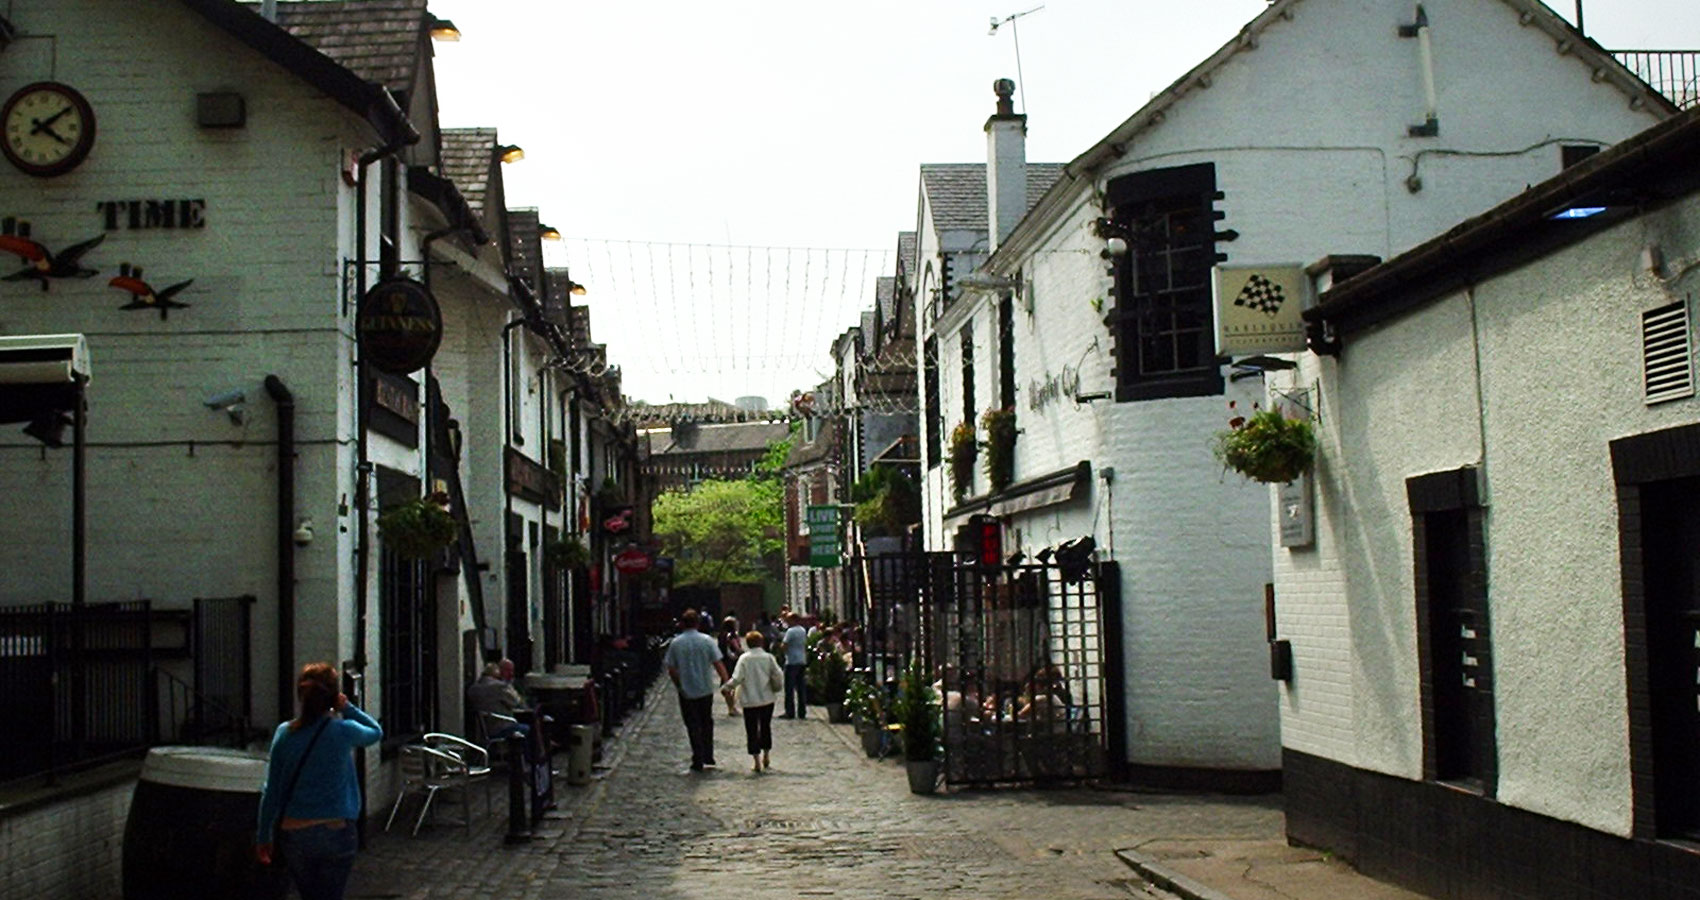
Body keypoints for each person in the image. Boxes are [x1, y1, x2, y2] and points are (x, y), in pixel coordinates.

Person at [255, 662, 382, 900]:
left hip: (295, 831)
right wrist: (348, 708)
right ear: (333, 696)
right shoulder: (343, 730)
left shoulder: (285, 733)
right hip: (335, 828)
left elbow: (271, 789)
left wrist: (263, 835)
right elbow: (375, 732)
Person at [662, 609, 728, 771]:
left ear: (683, 624)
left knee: (692, 723)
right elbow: (718, 663)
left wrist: (679, 685)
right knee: (706, 721)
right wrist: (726, 682)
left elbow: (671, 668)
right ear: (698, 623)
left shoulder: (676, 643)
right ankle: (708, 754)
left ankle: (697, 756)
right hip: (705, 688)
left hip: (686, 690)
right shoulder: (706, 641)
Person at [720, 631, 785, 772]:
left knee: (751, 730)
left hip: (749, 700)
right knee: (765, 727)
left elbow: (737, 678)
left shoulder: (744, 659)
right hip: (767, 699)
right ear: (761, 642)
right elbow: (778, 675)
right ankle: (766, 755)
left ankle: (756, 760)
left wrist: (726, 687)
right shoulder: (768, 658)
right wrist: (777, 688)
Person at [467, 660, 529, 741]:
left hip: (483, 729)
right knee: (528, 729)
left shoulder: (473, 689)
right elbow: (516, 702)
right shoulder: (500, 687)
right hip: (502, 726)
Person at [778, 612, 809, 719]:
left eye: (788, 620)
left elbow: (784, 645)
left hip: (791, 661)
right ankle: (802, 712)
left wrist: (782, 649)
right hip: (802, 660)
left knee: (789, 688)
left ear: (793, 620)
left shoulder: (790, 631)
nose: (787, 622)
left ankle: (790, 712)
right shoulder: (802, 630)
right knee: (801, 688)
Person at [718, 616, 744, 716]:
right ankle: (731, 707)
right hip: (731, 662)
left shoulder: (722, 635)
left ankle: (731, 706)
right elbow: (736, 648)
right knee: (731, 683)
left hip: (724, 661)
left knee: (727, 682)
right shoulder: (732, 635)